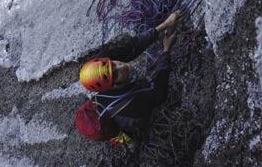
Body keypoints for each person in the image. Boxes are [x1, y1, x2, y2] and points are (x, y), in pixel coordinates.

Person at [75, 10, 183, 145]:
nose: (121, 67)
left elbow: (134, 45)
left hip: (107, 107)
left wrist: (166, 24)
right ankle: (124, 139)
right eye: (116, 74)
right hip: (127, 116)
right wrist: (166, 50)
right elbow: (159, 93)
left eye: (113, 64)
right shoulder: (129, 104)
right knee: (138, 121)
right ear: (113, 87)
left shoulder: (104, 62)